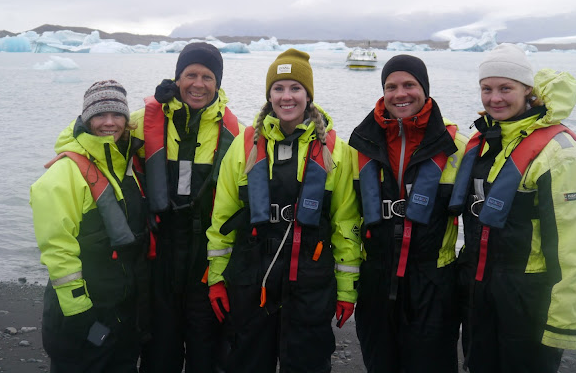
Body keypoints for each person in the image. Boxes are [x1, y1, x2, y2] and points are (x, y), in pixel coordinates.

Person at [206, 48, 362, 373]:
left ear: (308, 95)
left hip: (310, 284)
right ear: (269, 95)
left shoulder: (336, 151)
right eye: (278, 88)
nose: (286, 97)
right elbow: (221, 222)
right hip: (252, 280)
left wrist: (347, 291)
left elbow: (346, 227)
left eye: (295, 88)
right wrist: (217, 278)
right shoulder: (244, 144)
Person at [450, 43, 576, 373]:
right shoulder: (487, 140)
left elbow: (574, 247)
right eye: (487, 89)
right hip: (481, 294)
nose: (494, 98)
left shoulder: (559, 152)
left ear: (527, 91)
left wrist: (563, 323)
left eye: (505, 88)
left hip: (529, 303)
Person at [349, 54, 467, 372]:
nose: (400, 94)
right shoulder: (359, 146)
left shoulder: (457, 147)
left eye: (409, 84)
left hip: (432, 282)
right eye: (391, 86)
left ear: (424, 88)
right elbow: (345, 218)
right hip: (375, 280)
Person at [133, 42, 242, 373]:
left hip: (204, 256)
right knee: (159, 349)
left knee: (206, 346)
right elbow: (96, 133)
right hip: (161, 250)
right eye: (190, 74)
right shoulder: (145, 121)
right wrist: (69, 152)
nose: (198, 83)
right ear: (177, 78)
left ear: (217, 83)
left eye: (207, 76)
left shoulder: (235, 133)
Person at [31, 80, 149, 373]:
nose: (109, 122)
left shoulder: (126, 164)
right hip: (83, 312)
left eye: (117, 114)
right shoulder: (64, 173)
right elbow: (57, 247)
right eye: (99, 114)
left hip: (120, 310)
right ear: (86, 118)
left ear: (127, 119)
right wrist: (78, 312)